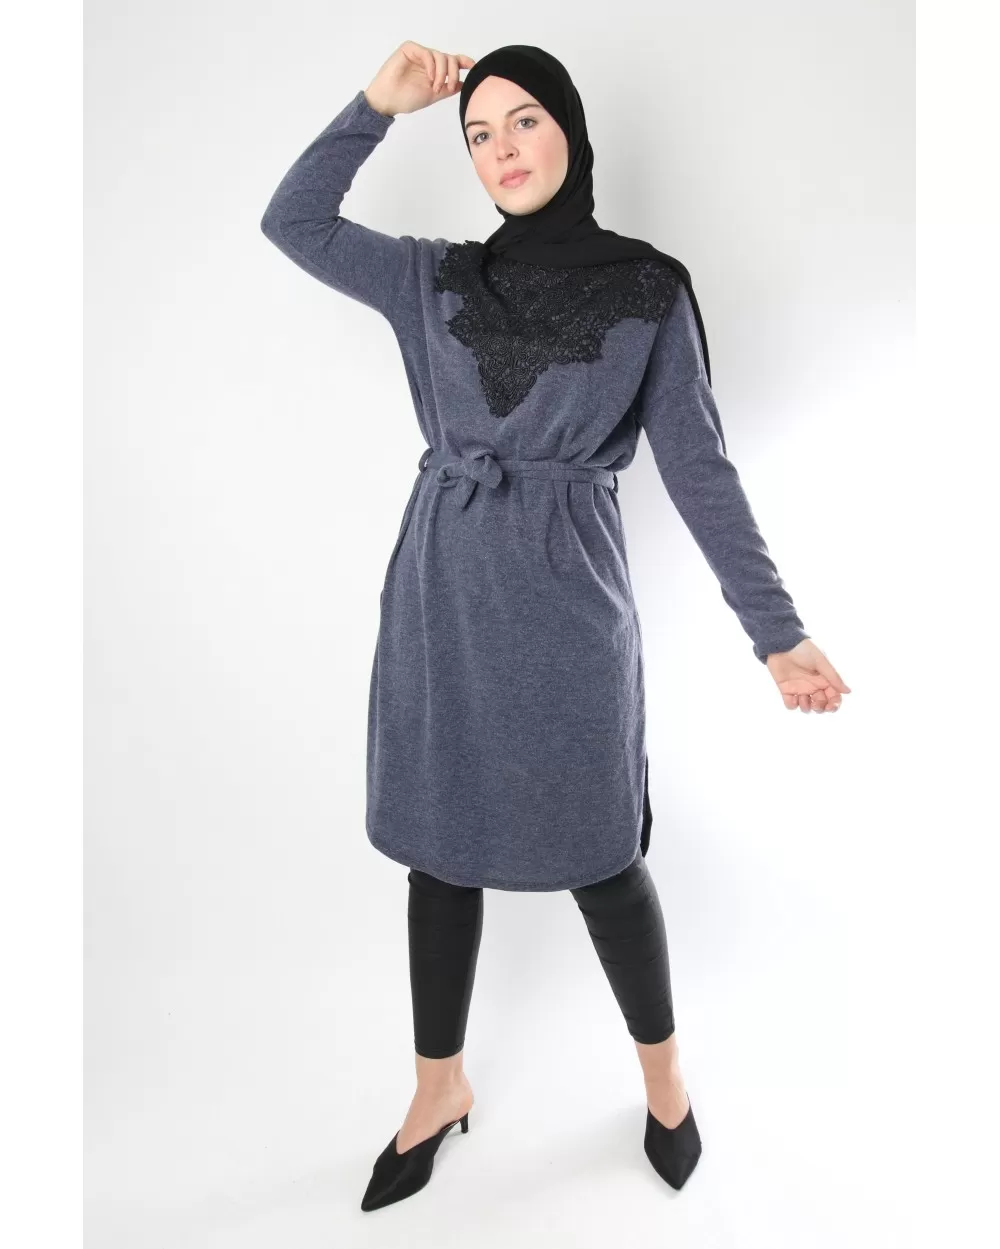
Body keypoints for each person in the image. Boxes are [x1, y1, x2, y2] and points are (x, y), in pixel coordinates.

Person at [260, 41, 851, 1212]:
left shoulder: (648, 289)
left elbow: (699, 471)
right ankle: (438, 1086)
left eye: (523, 121)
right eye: (478, 134)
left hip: (570, 607)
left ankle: (664, 1079)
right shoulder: (432, 280)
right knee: (440, 852)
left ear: (570, 131)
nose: (502, 149)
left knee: (603, 859)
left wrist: (775, 632)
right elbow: (295, 222)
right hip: (441, 596)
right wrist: (378, 105)